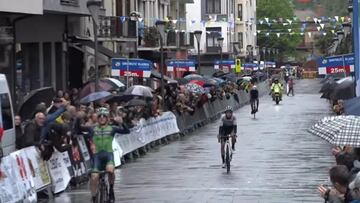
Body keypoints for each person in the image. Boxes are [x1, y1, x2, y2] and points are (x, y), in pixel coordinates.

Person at [77, 107, 130, 203]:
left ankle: (111, 190)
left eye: (104, 116)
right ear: (97, 118)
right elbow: (78, 129)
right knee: (94, 177)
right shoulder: (92, 128)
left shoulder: (112, 128)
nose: (102, 118)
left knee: (110, 170)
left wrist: (122, 122)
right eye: (100, 116)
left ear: (107, 118)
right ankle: (93, 198)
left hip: (108, 156)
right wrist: (77, 118)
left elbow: (127, 131)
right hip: (97, 157)